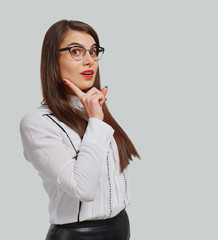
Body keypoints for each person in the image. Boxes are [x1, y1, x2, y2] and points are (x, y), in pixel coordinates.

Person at [19, 19, 140, 240]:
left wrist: (95, 117)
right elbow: (83, 189)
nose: (89, 61)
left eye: (94, 52)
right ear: (53, 60)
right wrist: (96, 121)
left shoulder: (96, 111)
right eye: (76, 51)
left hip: (121, 228)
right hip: (77, 235)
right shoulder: (36, 123)